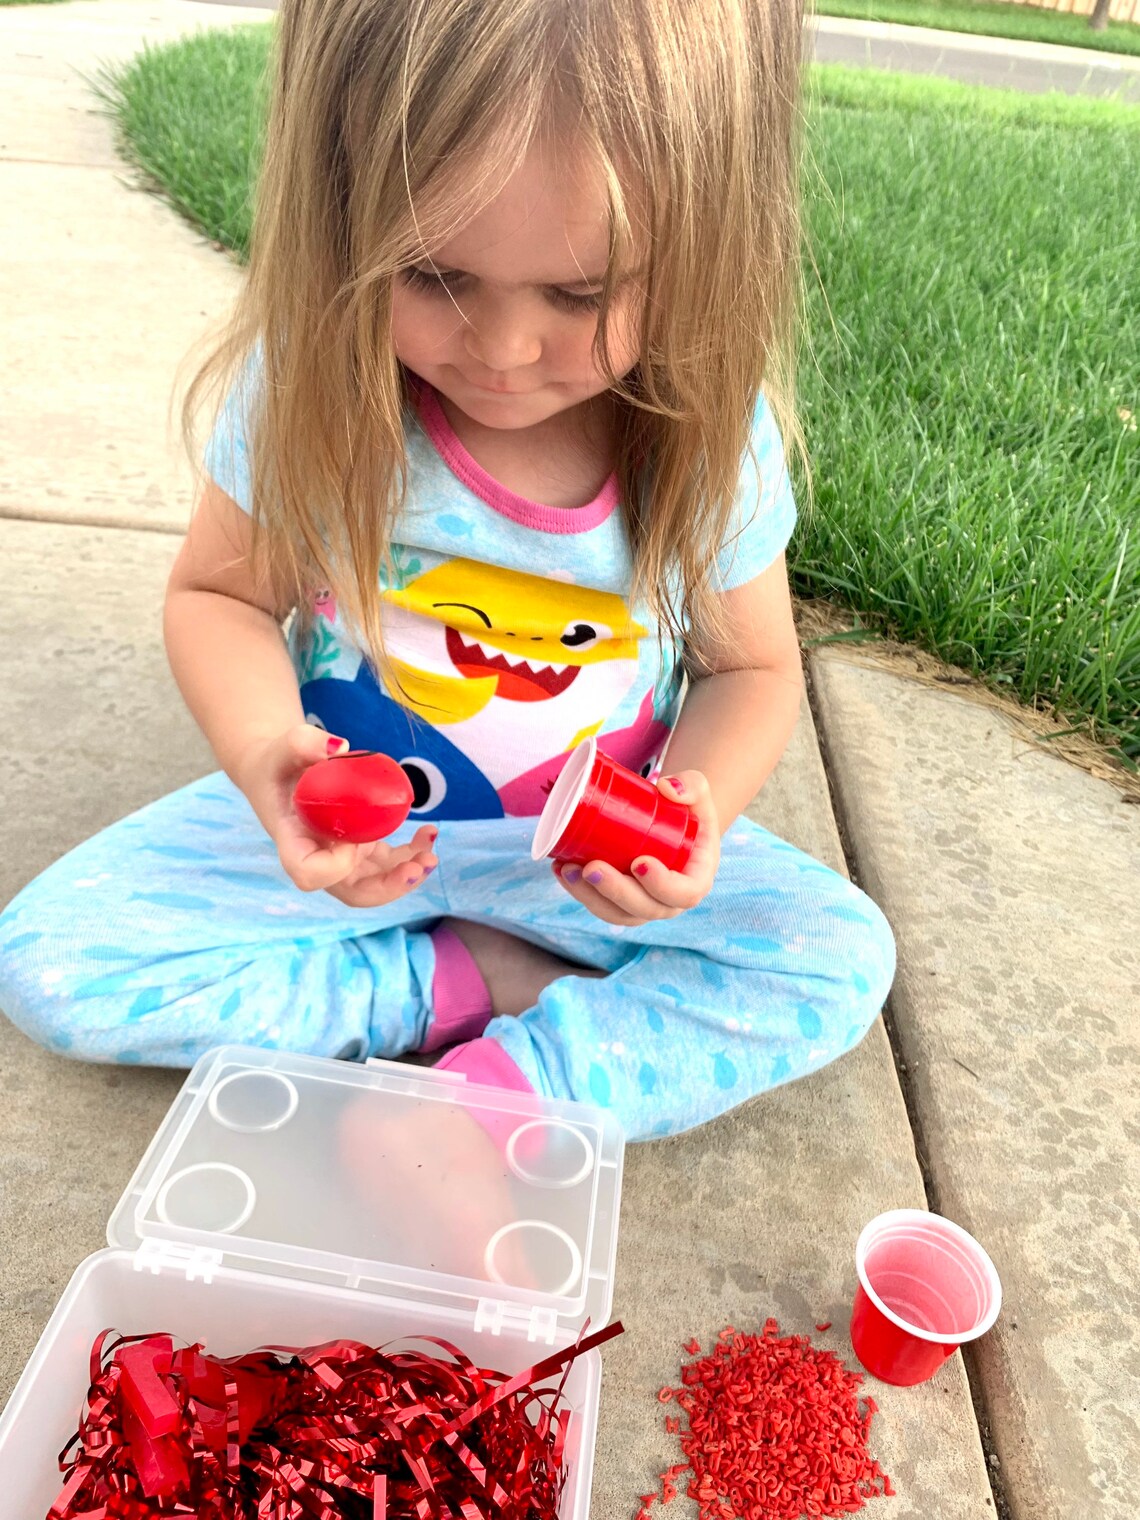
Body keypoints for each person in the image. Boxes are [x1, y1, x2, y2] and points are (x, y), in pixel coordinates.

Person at [0, 0, 894, 1143]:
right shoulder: (313, 386)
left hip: (577, 874)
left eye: (581, 295)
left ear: (710, 249)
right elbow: (221, 594)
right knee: (55, 960)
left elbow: (753, 670)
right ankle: (450, 983)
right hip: (354, 852)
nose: (504, 349)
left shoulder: (708, 435)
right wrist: (268, 754)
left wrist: (699, 807)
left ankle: (523, 1083)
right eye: (429, 273)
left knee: (834, 959)